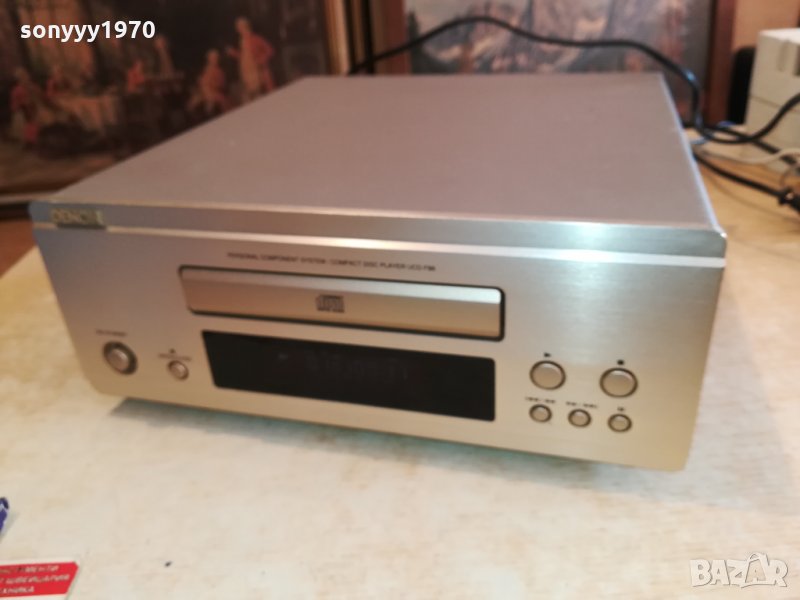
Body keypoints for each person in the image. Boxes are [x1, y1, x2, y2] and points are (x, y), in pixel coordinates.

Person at [227, 17, 275, 101]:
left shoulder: (255, 38)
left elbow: (270, 50)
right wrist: (233, 53)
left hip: (258, 73)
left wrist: (261, 60)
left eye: (241, 27)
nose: (239, 30)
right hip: (247, 74)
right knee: (254, 97)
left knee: (267, 95)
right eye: (238, 28)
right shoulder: (241, 41)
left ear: (246, 26)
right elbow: (244, 57)